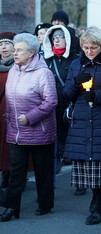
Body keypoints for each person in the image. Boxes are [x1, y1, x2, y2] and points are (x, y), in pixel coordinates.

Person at [62, 27, 101, 225]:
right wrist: (75, 83)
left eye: (94, 47)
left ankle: (98, 207)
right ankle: (95, 203)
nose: (89, 51)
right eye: (86, 47)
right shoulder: (76, 64)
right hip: (81, 120)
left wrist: (97, 95)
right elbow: (65, 95)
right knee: (87, 164)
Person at [0, 33, 57, 222]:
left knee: (43, 172)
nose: (14, 54)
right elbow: (9, 99)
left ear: (31, 52)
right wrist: (9, 119)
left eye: (19, 50)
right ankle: (11, 207)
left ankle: (45, 204)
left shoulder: (43, 73)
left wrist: (31, 117)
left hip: (39, 131)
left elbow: (51, 101)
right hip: (16, 131)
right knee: (16, 172)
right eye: (14, 50)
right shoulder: (14, 70)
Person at [43, 25, 79, 187]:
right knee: (54, 138)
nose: (56, 41)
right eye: (54, 38)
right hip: (51, 106)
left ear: (68, 39)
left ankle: (80, 181)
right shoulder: (46, 59)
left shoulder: (75, 59)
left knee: (75, 140)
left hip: (70, 106)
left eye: (60, 37)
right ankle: (55, 167)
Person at [0, 32, 15, 189]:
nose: (3, 47)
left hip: (14, 113)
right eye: (0, 44)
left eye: (7, 43)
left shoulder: (19, 66)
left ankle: (11, 177)